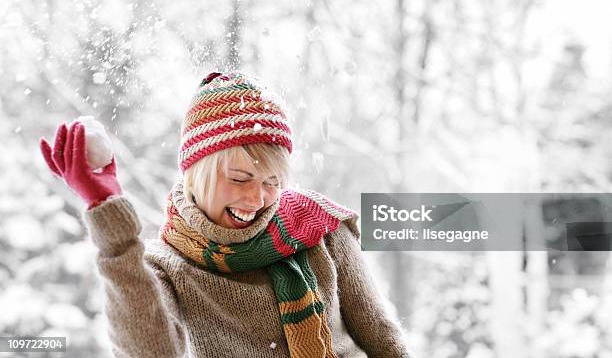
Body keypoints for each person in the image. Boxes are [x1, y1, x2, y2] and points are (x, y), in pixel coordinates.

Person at [39, 72, 412, 358]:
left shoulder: (318, 227)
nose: (258, 197)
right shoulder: (167, 265)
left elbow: (381, 336)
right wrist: (111, 224)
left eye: (272, 181)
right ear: (195, 172)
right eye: (240, 178)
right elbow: (150, 352)